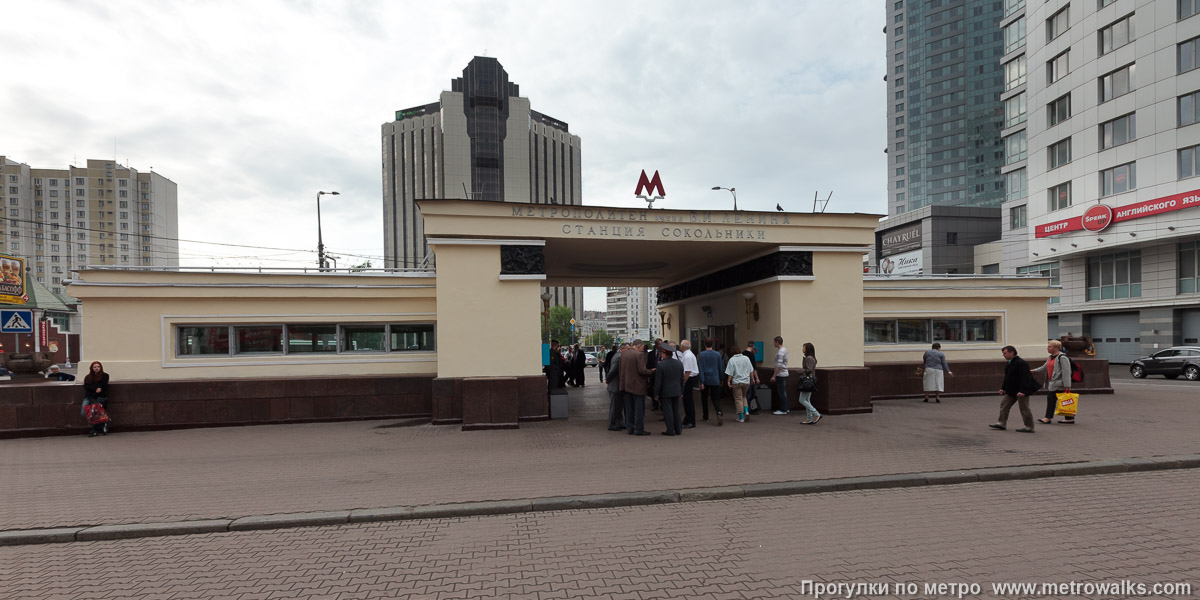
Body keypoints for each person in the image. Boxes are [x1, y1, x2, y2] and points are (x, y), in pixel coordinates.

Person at [991, 345, 1038, 432]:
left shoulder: (1021, 363)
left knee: (1024, 408)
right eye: (1003, 353)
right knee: (1004, 405)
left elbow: (1026, 378)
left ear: (1012, 353)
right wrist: (1003, 388)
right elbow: (1007, 377)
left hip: (1021, 391)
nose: (1003, 355)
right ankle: (1001, 423)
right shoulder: (1009, 362)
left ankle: (1029, 427)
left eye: (1005, 353)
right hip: (1011, 390)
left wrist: (1023, 391)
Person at [1030, 339, 1074, 425]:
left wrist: (1067, 385)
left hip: (1060, 383)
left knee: (1054, 399)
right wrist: (1034, 371)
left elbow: (1066, 371)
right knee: (1062, 400)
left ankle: (1048, 418)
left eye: (1049, 347)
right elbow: (1044, 367)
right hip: (1053, 383)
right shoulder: (1050, 357)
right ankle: (1068, 418)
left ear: (1056, 348)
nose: (1047, 348)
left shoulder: (1062, 357)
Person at [618, 339, 655, 436]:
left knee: (628, 408)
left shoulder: (624, 354)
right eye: (643, 347)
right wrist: (651, 371)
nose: (643, 349)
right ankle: (639, 429)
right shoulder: (638, 355)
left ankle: (630, 428)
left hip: (626, 385)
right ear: (639, 345)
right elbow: (642, 370)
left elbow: (621, 370)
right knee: (639, 409)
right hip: (637, 386)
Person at [654, 342, 685, 436]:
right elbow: (682, 379)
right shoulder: (679, 363)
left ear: (664, 354)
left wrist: (656, 394)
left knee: (668, 411)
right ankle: (678, 429)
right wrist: (682, 391)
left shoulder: (661, 365)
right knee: (676, 410)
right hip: (676, 390)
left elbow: (658, 381)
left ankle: (670, 430)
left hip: (666, 392)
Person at [697, 339, 724, 425]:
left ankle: (706, 417)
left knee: (704, 398)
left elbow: (700, 368)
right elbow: (720, 368)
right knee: (715, 398)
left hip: (705, 379)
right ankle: (719, 411)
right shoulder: (717, 354)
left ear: (704, 344)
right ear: (712, 344)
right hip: (715, 379)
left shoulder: (701, 355)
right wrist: (721, 379)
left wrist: (701, 381)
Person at [725, 344, 755, 422]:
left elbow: (730, 373)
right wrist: (752, 379)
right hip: (746, 381)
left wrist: (728, 381)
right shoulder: (746, 358)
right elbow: (751, 370)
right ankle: (747, 411)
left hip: (737, 382)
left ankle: (741, 417)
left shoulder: (732, 360)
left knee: (738, 399)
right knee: (744, 396)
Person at [81, 361, 110, 437]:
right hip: (89, 396)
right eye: (95, 367)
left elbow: (103, 385)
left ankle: (94, 430)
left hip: (100, 397)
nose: (97, 368)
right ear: (92, 368)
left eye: (98, 367)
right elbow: (86, 386)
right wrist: (95, 389)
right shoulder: (88, 377)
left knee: (96, 413)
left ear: (101, 367)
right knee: (84, 412)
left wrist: (99, 388)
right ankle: (103, 425)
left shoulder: (105, 375)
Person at [675, 340, 699, 428]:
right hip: (689, 378)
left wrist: (683, 383)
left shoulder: (687, 356)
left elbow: (687, 372)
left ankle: (691, 421)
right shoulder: (688, 355)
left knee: (688, 401)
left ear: (683, 347)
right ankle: (688, 418)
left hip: (688, 379)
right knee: (687, 401)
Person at [797, 342, 822, 425]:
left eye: (803, 347)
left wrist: (800, 371)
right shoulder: (810, 358)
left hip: (807, 381)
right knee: (807, 400)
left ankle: (816, 414)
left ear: (807, 349)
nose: (802, 349)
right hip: (810, 381)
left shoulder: (809, 358)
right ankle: (809, 418)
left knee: (802, 400)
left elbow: (809, 370)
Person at [606, 343, 627, 431]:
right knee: (614, 407)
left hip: (616, 385)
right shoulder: (619, 357)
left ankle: (619, 422)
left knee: (618, 406)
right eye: (628, 349)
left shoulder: (618, 355)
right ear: (623, 349)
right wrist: (608, 380)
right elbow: (612, 371)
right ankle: (612, 424)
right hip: (615, 385)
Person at [770, 336, 790, 415]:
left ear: (777, 342)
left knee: (781, 392)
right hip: (784, 373)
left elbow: (779, 365)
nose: (773, 343)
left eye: (774, 342)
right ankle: (786, 408)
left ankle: (783, 409)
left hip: (781, 374)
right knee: (783, 392)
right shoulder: (784, 350)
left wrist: (774, 375)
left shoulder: (780, 352)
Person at [742, 343, 762, 413]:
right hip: (750, 377)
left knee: (745, 394)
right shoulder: (751, 355)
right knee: (750, 394)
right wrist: (756, 378)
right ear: (753, 347)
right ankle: (750, 409)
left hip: (744, 376)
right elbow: (753, 368)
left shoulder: (743, 353)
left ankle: (745, 409)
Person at [646, 338, 662, 411]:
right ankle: (655, 405)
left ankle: (662, 405)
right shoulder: (651, 353)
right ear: (656, 345)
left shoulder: (664, 353)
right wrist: (649, 374)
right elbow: (648, 365)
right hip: (653, 374)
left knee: (661, 390)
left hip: (661, 375)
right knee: (653, 390)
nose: (661, 346)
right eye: (659, 344)